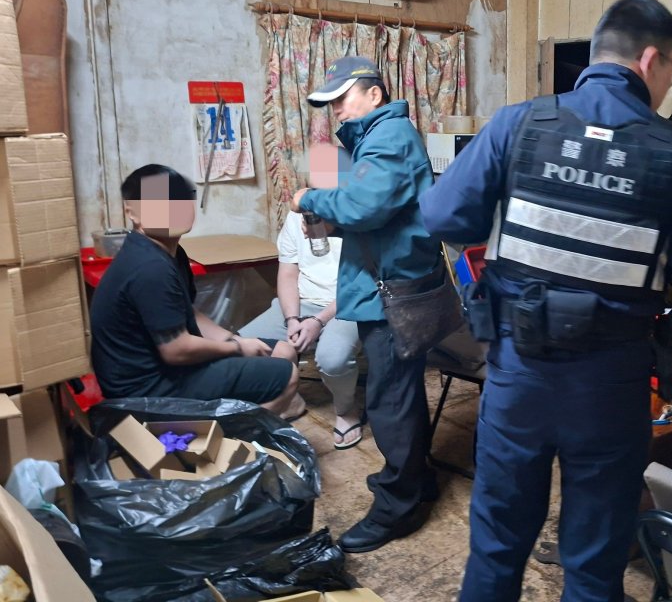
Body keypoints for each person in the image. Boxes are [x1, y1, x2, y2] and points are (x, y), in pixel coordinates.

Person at [419, 0, 672, 602]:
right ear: (649, 61)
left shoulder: (519, 124)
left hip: (519, 373)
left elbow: (443, 215)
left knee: (496, 547)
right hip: (611, 386)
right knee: (595, 564)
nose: (667, 83)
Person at [290, 55, 440, 553]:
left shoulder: (389, 136)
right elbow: (381, 214)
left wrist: (309, 198)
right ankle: (417, 480)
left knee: (390, 401)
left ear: (374, 94)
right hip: (387, 287)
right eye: (329, 103)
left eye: (342, 98)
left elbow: (364, 205)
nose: (335, 110)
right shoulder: (375, 138)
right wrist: (335, 220)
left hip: (392, 294)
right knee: (402, 396)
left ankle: (398, 507)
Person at [90, 165, 301, 419]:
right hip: (145, 388)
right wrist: (236, 348)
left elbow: (188, 310)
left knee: (284, 352)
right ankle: (233, 432)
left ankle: (252, 415)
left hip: (167, 367)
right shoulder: (149, 266)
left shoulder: (171, 252)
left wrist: (231, 340)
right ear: (132, 212)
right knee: (287, 375)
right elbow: (176, 350)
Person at [237, 204, 364, 449]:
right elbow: (288, 273)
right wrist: (292, 319)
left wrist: (318, 321)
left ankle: (346, 409)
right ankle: (290, 398)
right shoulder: (297, 216)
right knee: (242, 345)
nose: (306, 227)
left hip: (348, 304)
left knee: (332, 359)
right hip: (303, 301)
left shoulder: (357, 213)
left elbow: (362, 282)